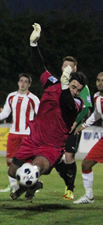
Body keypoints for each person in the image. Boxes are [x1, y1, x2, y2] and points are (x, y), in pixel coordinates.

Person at [8, 23, 87, 201]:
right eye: (73, 86)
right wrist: (33, 45)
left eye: (78, 89)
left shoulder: (76, 102)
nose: (75, 91)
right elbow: (39, 67)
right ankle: (33, 185)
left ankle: (32, 183)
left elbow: (66, 103)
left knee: (35, 167)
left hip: (51, 146)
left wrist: (67, 87)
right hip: (34, 138)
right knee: (12, 171)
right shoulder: (53, 84)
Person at [0, 73, 40, 193]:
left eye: (25, 81)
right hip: (13, 133)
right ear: (18, 82)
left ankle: (31, 185)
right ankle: (13, 186)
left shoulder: (33, 99)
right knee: (9, 159)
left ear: (29, 84)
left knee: (27, 161)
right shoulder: (11, 96)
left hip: (27, 134)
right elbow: (6, 113)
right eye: (21, 81)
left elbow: (40, 116)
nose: (23, 83)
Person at [54, 57, 92, 200]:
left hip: (72, 127)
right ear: (62, 68)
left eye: (71, 67)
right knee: (55, 157)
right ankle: (68, 182)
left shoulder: (81, 86)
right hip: (57, 127)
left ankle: (70, 189)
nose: (68, 69)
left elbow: (87, 107)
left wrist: (75, 122)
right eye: (65, 66)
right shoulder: (59, 84)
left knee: (69, 156)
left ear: (75, 69)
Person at [73, 72, 103, 204]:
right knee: (86, 164)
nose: (100, 82)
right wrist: (84, 125)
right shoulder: (96, 97)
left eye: (102, 80)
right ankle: (89, 196)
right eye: (98, 80)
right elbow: (96, 114)